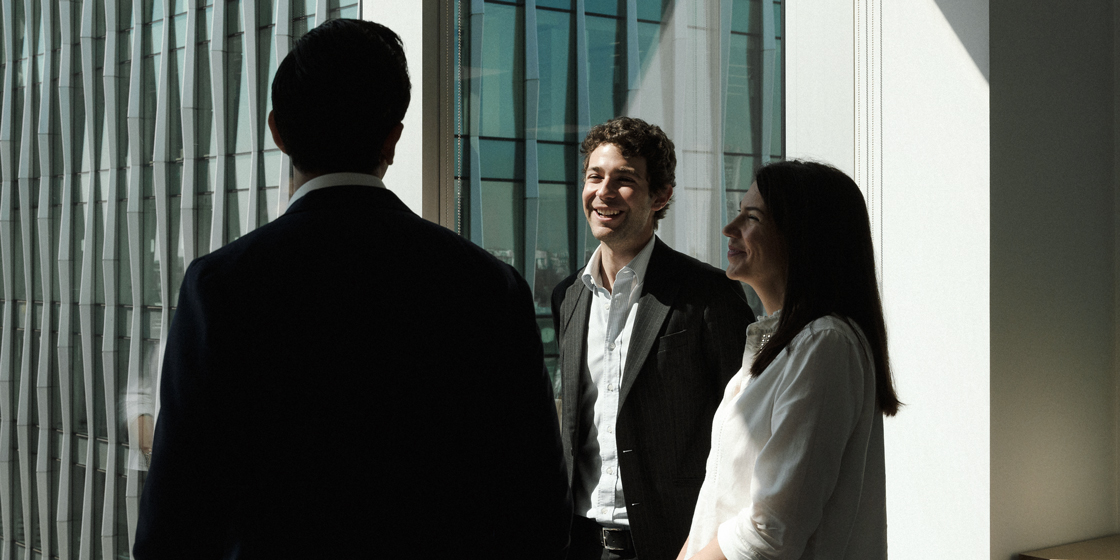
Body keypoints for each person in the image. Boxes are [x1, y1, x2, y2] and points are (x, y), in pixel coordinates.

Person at [133, 19, 571, 559]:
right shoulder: (486, 285)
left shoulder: (223, 285)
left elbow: (177, 516)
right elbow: (536, 506)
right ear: (393, 136)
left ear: (277, 131)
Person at [678, 160, 901, 560]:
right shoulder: (781, 345)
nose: (730, 228)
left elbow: (771, 531)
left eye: (752, 217)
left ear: (802, 236)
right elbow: (719, 505)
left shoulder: (825, 344)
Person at [552, 116, 753, 560]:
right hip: (576, 540)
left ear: (660, 195)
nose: (603, 192)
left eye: (623, 180)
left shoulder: (708, 295)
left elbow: (746, 432)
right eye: (594, 176)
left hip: (670, 545)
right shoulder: (567, 296)